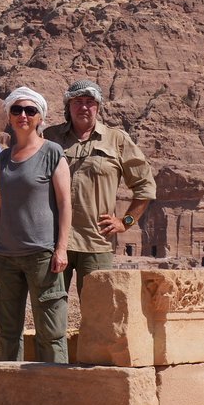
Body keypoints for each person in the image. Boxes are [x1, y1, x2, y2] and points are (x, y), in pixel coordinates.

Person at [0, 86, 71, 363]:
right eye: (17, 110)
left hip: (41, 254)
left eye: (30, 110)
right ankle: (11, 395)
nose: (23, 115)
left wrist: (61, 248)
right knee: (8, 331)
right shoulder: (3, 157)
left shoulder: (52, 152)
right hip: (6, 256)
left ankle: (55, 396)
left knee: (51, 330)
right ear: (9, 116)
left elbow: (65, 203)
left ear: (39, 117)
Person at [44, 80, 156, 295]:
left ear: (98, 106)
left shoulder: (116, 140)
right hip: (54, 241)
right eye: (78, 101)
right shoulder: (50, 137)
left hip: (96, 243)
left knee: (98, 312)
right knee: (51, 307)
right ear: (68, 105)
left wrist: (125, 222)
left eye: (90, 102)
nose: (84, 107)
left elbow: (145, 186)